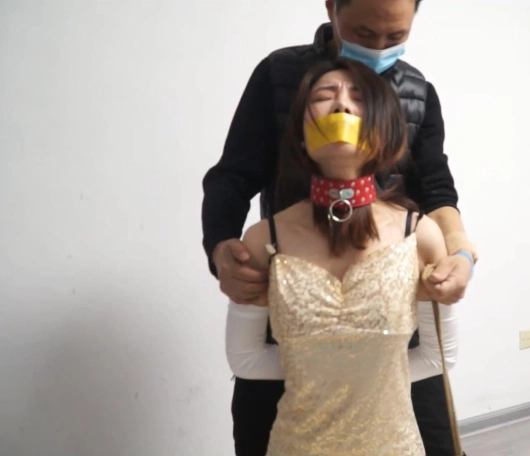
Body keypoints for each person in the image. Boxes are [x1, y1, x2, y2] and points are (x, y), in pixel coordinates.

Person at [202, 0, 478, 454]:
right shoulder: (278, 76)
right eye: (365, 34)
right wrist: (220, 250)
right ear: (332, 7)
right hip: (292, 307)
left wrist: (460, 251)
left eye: (395, 37)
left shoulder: (418, 93)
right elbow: (231, 177)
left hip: (389, 316)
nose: (379, 47)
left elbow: (436, 188)